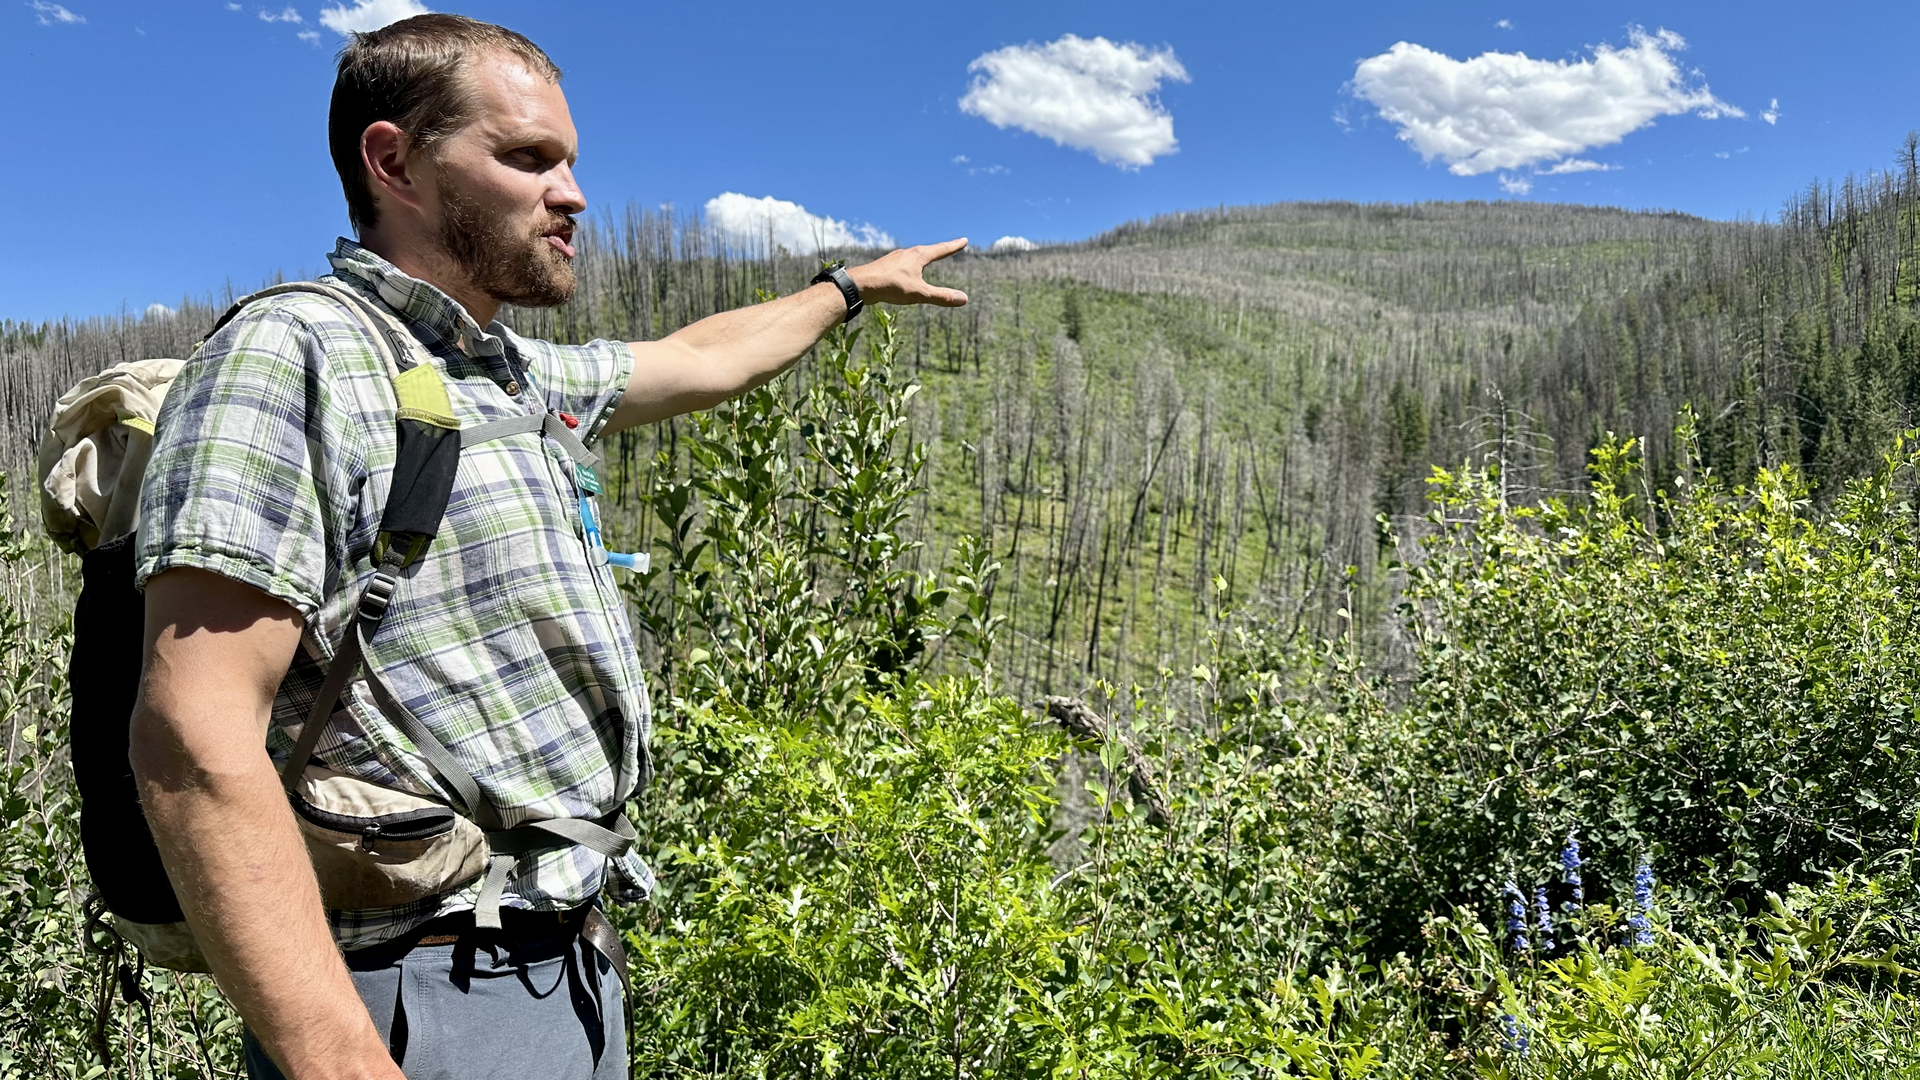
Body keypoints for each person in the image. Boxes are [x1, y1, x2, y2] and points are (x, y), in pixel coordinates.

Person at [126, 14, 967, 1080]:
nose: (571, 193)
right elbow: (192, 741)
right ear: (394, 164)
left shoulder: (504, 374)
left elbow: (694, 360)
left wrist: (847, 289)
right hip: (415, 990)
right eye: (527, 159)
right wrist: (339, 1061)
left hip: (550, 964)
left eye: (570, 161)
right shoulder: (299, 353)